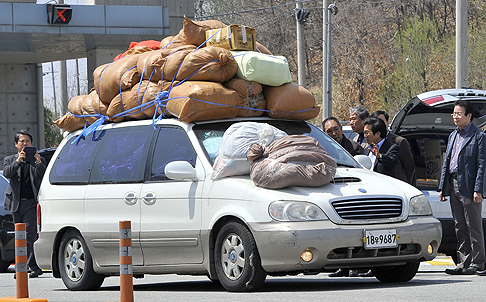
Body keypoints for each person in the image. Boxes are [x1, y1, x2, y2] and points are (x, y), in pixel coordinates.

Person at [438, 100, 486, 276]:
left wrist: (478, 189)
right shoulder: (453, 135)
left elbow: (482, 165)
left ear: (469, 116)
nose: (455, 117)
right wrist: (443, 187)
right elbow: (447, 163)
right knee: (459, 225)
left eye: (459, 114)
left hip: (470, 185)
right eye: (454, 114)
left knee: (474, 225)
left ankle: (478, 263)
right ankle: (463, 262)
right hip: (454, 183)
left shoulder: (478, 136)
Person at [3, 130, 46, 278]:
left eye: (27, 141)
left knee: (30, 235)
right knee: (19, 236)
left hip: (31, 203)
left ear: (31, 144)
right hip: (15, 203)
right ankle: (32, 266)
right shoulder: (10, 159)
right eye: (21, 141)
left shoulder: (37, 159)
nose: (24, 143)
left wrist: (38, 161)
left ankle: (25, 266)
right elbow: (7, 173)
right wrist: (18, 161)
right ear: (16, 144)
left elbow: (42, 174)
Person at [370, 110, 416, 184]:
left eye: (381, 121)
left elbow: (409, 166)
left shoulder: (399, 141)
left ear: (388, 123)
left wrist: (405, 184)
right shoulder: (368, 143)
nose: (378, 125)